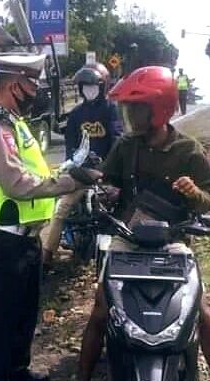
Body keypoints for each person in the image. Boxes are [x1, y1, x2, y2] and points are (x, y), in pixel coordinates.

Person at [0, 54, 99, 381]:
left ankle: (17, 371)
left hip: (24, 237)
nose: (38, 91)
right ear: (15, 85)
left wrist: (68, 170)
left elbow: (35, 172)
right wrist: (72, 181)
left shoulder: (14, 123)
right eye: (33, 84)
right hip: (1, 238)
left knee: (22, 315)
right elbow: (17, 183)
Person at [78, 66, 210, 381]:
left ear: (158, 109)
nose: (131, 116)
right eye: (129, 109)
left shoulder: (188, 150)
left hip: (174, 239)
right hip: (128, 236)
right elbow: (108, 181)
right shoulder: (126, 145)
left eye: (137, 108)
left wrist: (194, 193)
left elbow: (209, 199)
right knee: (100, 309)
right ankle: (81, 376)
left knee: (201, 312)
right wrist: (106, 191)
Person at [40, 63, 122, 268]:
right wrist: (73, 171)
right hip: (82, 177)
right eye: (85, 86)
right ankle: (47, 255)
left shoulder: (111, 109)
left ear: (102, 87)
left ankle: (116, 259)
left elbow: (117, 140)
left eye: (92, 85)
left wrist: (109, 171)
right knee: (61, 209)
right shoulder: (76, 114)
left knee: (116, 213)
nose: (88, 89)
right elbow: (71, 147)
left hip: (107, 176)